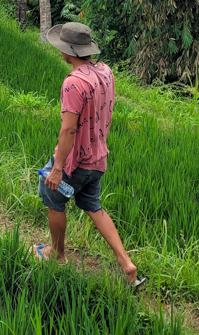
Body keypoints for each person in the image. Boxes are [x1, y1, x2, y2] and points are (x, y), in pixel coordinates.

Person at [34, 22, 146, 290]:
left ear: (68, 51)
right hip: (97, 158)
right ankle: (126, 264)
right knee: (92, 205)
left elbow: (69, 129)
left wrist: (58, 168)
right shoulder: (105, 72)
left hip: (76, 161)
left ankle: (56, 255)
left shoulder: (73, 83)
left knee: (53, 197)